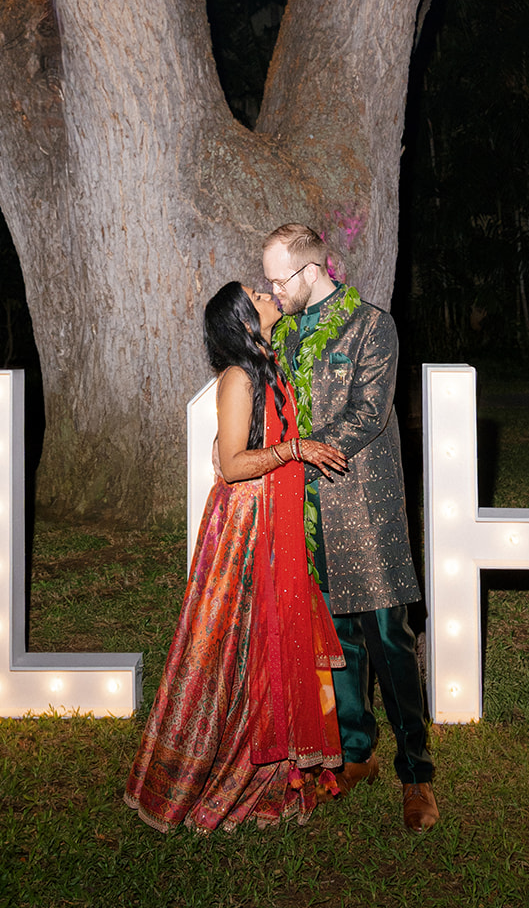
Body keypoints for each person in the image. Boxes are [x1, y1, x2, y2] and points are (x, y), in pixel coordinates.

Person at [125, 282, 349, 833]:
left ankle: (269, 766)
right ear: (244, 319)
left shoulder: (268, 367)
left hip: (273, 519)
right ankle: (200, 771)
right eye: (255, 293)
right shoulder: (238, 377)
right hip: (244, 528)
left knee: (267, 645)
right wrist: (294, 450)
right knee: (228, 646)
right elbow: (230, 465)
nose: (266, 292)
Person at [262, 223, 439, 833]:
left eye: (278, 280)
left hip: (364, 508)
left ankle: (416, 774)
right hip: (306, 511)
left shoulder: (372, 325)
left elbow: (369, 411)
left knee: (390, 638)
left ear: (311, 272)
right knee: (335, 637)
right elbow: (269, 404)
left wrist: (299, 449)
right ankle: (356, 750)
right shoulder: (282, 334)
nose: (273, 291)